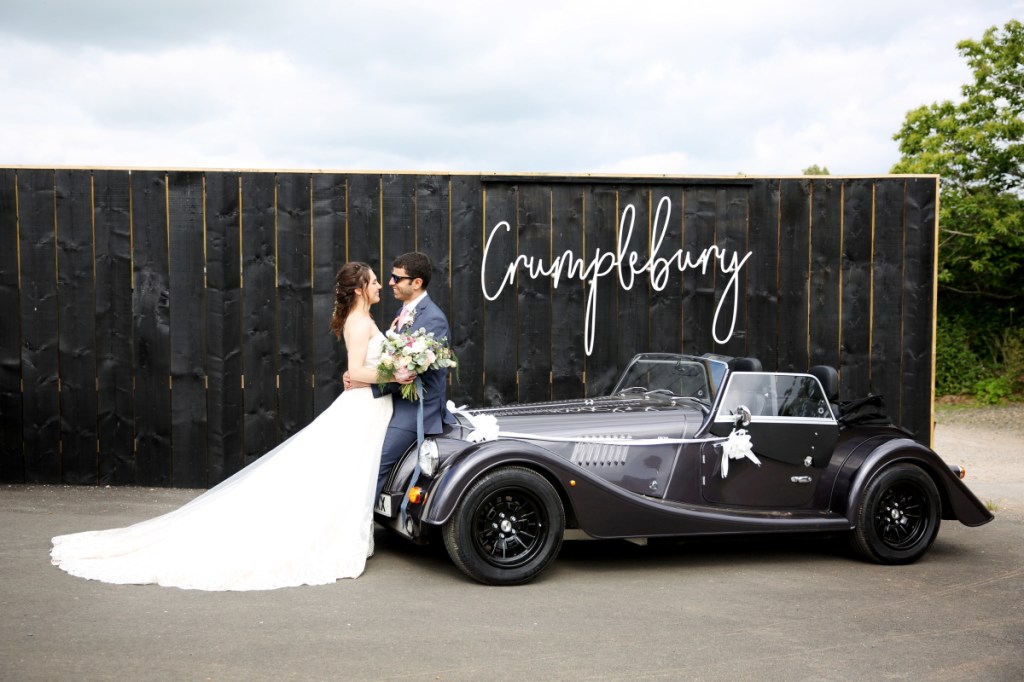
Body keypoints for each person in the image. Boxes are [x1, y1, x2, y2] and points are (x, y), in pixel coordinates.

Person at [50, 262, 393, 591]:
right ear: (359, 289)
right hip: (364, 406)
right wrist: (397, 373)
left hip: (368, 405)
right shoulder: (359, 323)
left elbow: (357, 372)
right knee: (343, 471)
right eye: (375, 281)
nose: (380, 286)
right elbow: (356, 372)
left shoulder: (363, 319)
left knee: (347, 472)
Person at [345, 252, 455, 498]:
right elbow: (390, 361)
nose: (390, 282)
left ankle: (361, 517)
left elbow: (413, 375)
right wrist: (359, 372)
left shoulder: (433, 319)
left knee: (376, 464)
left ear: (416, 283)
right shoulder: (404, 312)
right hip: (392, 402)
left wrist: (364, 382)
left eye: (397, 278)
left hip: (415, 408)